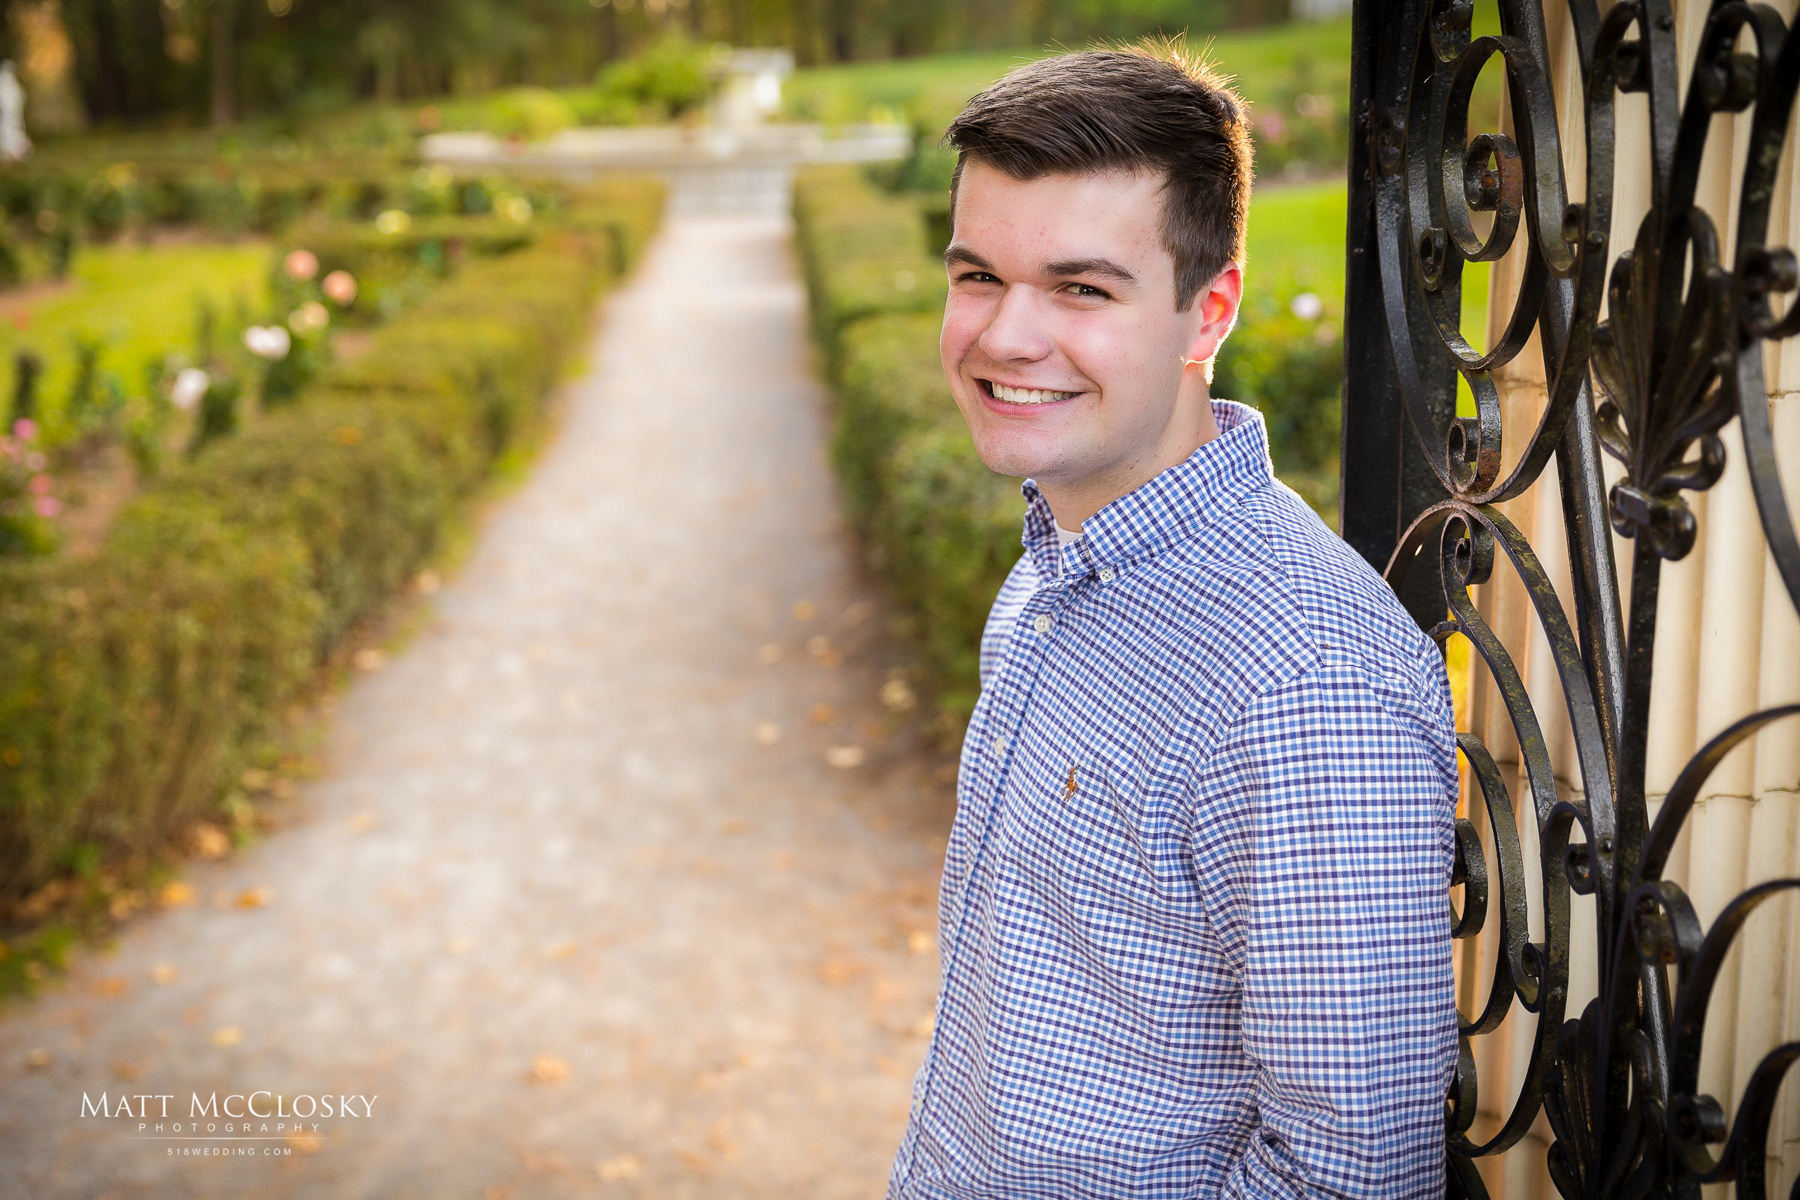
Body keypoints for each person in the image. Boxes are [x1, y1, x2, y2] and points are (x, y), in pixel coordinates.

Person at [885, 39, 1459, 1199]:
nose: (1003, 336)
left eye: (1082, 289)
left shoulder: (1306, 687)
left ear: (1209, 315)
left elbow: (1350, 1179)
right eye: (977, 275)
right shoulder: (1059, 560)